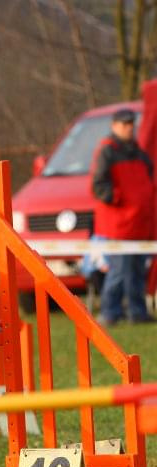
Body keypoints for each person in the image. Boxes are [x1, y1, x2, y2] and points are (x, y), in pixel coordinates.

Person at [90, 108, 156, 326]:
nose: (129, 128)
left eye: (131, 124)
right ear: (114, 126)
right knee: (118, 272)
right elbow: (98, 186)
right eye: (124, 124)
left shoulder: (138, 152)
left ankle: (137, 313)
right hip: (118, 224)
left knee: (138, 271)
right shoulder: (107, 151)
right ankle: (110, 313)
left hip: (139, 223)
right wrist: (119, 199)